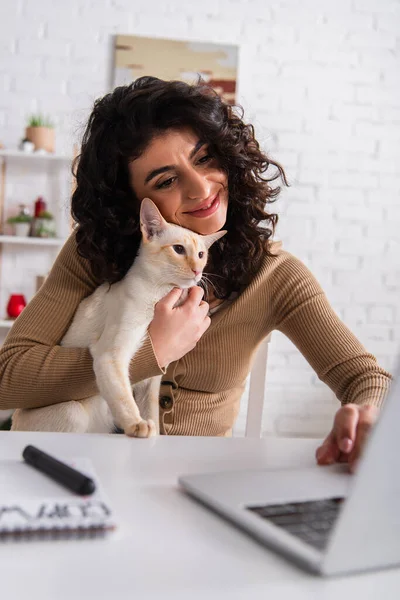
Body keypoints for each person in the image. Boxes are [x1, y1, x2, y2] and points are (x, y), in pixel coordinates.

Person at [0, 77, 391, 470]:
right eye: (166, 180)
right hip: (80, 472)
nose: (201, 188)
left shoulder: (276, 276)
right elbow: (7, 377)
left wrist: (369, 415)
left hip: (196, 486)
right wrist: (150, 350)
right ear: (132, 203)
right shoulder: (92, 253)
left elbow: (364, 376)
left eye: (204, 158)